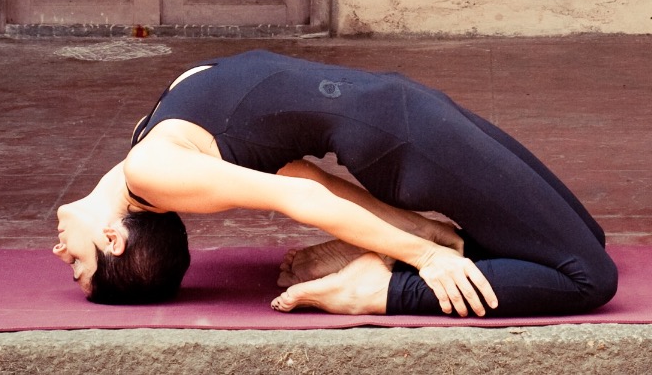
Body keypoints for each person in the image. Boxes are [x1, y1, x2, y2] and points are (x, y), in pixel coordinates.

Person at [53, 49, 616, 317]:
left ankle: (384, 259)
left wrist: (420, 237)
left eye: (74, 266)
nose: (60, 252)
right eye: (75, 263)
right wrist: (425, 257)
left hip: (408, 112)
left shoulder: (149, 151)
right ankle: (376, 291)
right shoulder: (154, 171)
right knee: (589, 278)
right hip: (407, 137)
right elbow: (304, 195)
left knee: (585, 239)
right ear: (114, 239)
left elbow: (299, 174)